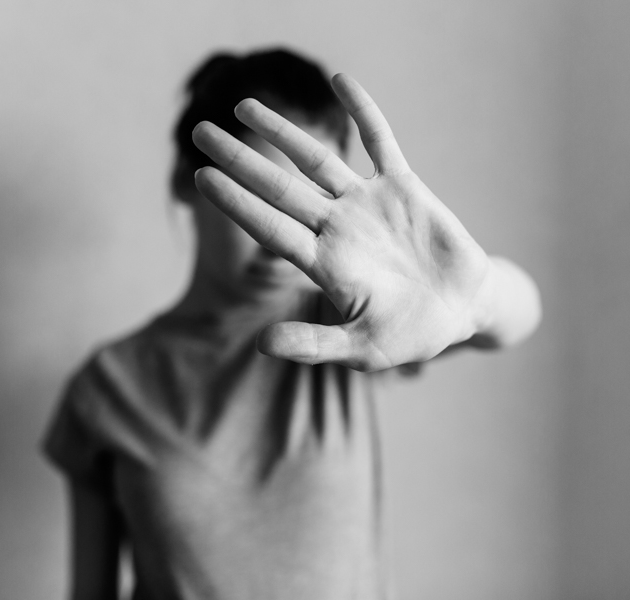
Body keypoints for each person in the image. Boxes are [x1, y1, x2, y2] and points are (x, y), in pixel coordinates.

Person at [43, 48, 541, 600]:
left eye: (310, 207)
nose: (274, 240)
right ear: (186, 182)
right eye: (255, 195)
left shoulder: (345, 327)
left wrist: (477, 297)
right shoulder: (107, 386)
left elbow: (521, 316)